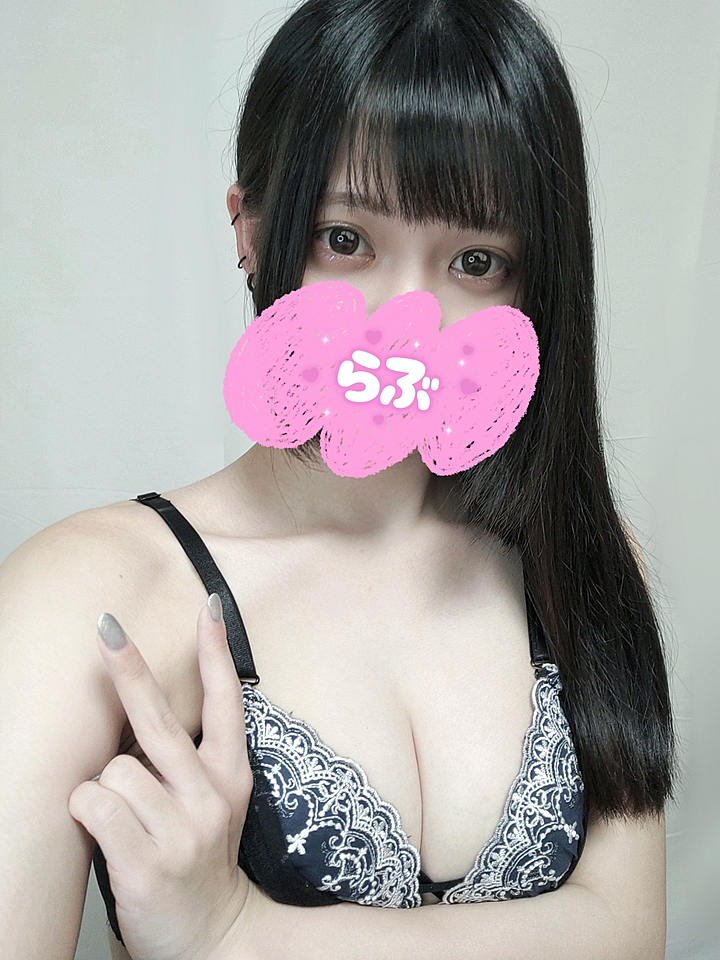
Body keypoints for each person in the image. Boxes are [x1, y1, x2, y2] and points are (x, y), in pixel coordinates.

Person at [0, 0, 674, 958]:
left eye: (476, 260)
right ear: (250, 230)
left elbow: (629, 932)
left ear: (538, 282)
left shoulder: (582, 559)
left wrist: (235, 935)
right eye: (345, 240)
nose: (408, 317)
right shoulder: (83, 596)